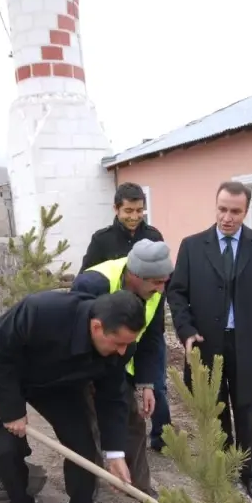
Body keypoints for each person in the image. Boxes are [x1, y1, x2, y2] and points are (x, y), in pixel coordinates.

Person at [0, 289, 146, 503]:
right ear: (97, 326)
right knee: (8, 450)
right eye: (118, 343)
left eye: (128, 344)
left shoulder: (122, 345)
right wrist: (11, 410)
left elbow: (112, 398)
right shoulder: (42, 311)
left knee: (83, 450)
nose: (123, 351)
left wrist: (114, 453)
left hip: (58, 387)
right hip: (6, 380)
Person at [166, 180, 252, 501]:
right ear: (215, 206)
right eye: (222, 209)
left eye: (235, 211)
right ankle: (223, 467)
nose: (227, 217)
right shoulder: (192, 245)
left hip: (246, 344)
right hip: (205, 344)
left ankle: (251, 473)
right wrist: (186, 332)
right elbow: (177, 294)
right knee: (214, 411)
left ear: (246, 211)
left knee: (245, 411)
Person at [71, 239, 173, 496]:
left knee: (133, 422)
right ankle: (88, 488)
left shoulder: (155, 293)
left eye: (165, 282)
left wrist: (147, 383)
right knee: (87, 427)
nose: (162, 289)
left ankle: (138, 488)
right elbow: (74, 333)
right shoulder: (94, 284)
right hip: (85, 368)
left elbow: (151, 338)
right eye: (157, 282)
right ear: (135, 276)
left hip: (117, 367)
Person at [79, 182, 172, 452]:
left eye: (139, 210)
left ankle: (163, 440)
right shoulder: (102, 240)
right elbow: (87, 281)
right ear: (116, 209)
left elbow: (154, 327)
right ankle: (103, 445)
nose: (134, 216)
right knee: (109, 392)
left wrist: (146, 382)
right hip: (112, 332)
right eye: (128, 210)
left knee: (154, 387)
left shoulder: (154, 237)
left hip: (143, 333)